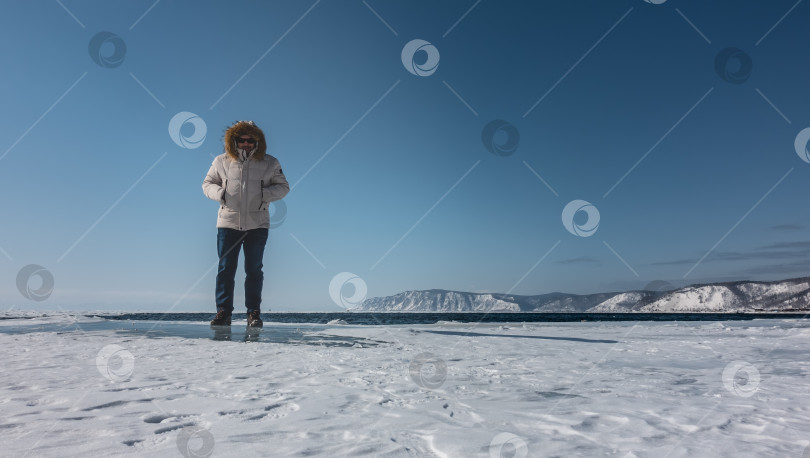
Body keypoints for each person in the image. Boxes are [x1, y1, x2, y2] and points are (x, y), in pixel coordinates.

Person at [203, 120, 289, 327]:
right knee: (226, 269)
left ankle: (253, 313)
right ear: (234, 141)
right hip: (228, 223)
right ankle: (223, 312)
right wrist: (221, 194)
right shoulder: (221, 161)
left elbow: (283, 187)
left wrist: (263, 194)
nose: (246, 144)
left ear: (257, 141)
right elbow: (207, 184)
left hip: (257, 224)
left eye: (251, 140)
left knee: (254, 270)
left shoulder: (270, 162)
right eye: (241, 140)